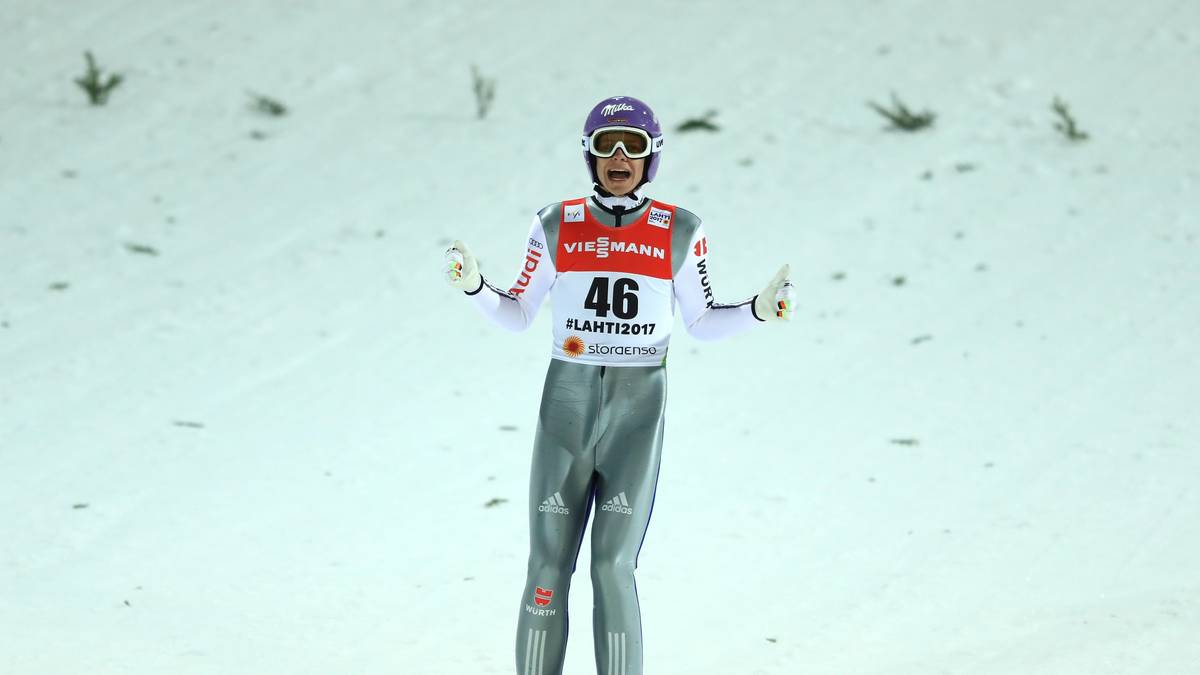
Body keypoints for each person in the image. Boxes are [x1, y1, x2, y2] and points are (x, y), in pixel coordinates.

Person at [443, 95, 793, 675]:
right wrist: (476, 286)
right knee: (547, 563)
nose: (620, 157)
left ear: (653, 155)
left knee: (612, 565)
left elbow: (702, 322)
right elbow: (519, 312)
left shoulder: (681, 230)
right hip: (568, 403)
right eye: (607, 145)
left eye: (633, 144)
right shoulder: (556, 223)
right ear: (589, 154)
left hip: (637, 411)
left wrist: (760, 309)